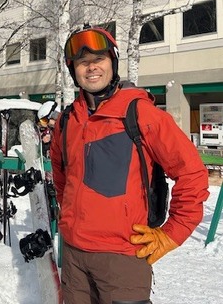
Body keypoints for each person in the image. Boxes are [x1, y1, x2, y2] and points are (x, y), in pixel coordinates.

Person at [50, 26, 209, 304]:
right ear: (73, 70)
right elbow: (62, 176)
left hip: (122, 257)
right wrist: (71, 216)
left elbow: (192, 174)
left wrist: (173, 233)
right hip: (74, 256)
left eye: (99, 59)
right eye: (83, 62)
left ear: (113, 61)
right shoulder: (67, 121)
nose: (91, 68)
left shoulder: (140, 113)